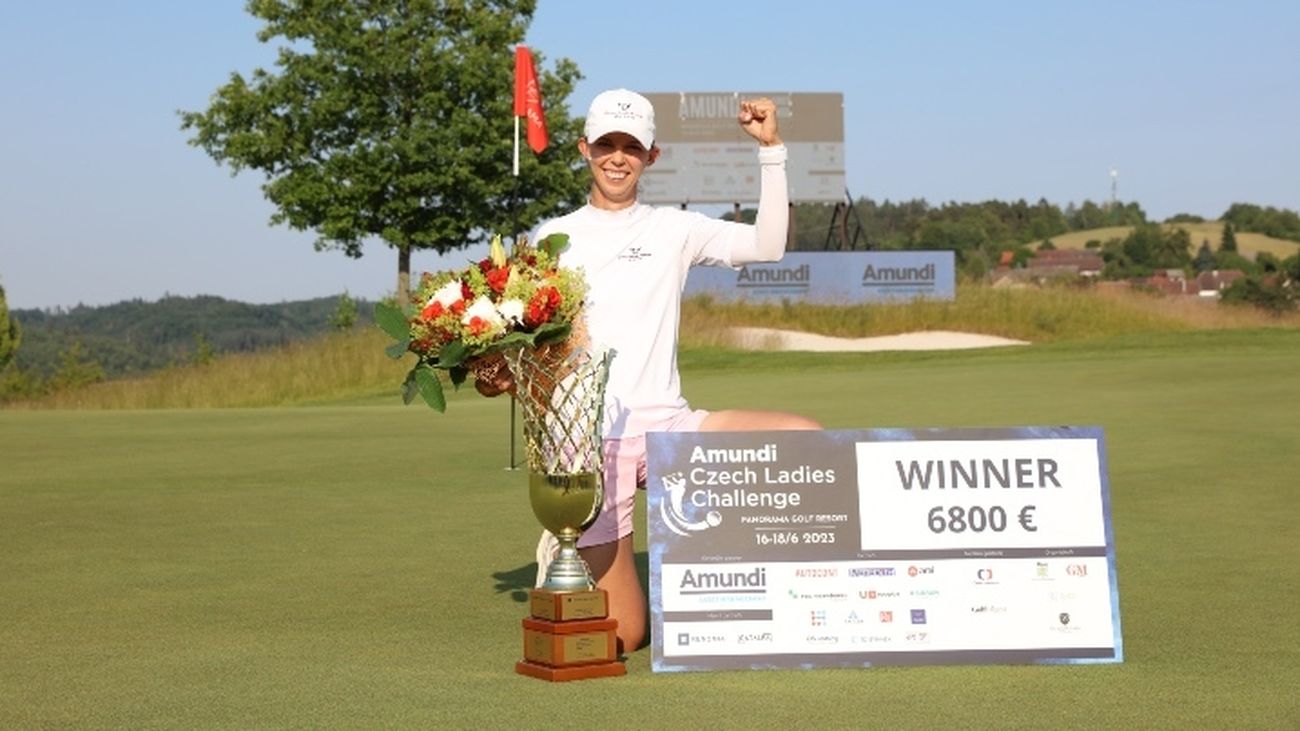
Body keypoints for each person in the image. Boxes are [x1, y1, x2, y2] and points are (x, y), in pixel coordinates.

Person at [533, 89, 820, 653]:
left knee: (804, 437)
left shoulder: (675, 228)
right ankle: (562, 543)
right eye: (606, 145)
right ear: (584, 148)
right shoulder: (552, 238)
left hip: (670, 429)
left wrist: (772, 151)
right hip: (592, 447)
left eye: (632, 148)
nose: (618, 157)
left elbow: (768, 245)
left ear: (652, 156)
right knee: (626, 636)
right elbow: (537, 347)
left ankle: (754, 588)